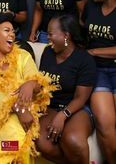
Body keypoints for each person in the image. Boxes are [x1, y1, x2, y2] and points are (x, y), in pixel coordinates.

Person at [0, 13, 55, 163]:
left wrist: (30, 84)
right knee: (16, 130)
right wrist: (18, 108)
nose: (12, 34)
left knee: (15, 133)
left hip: (25, 112)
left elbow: (38, 82)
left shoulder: (23, 55)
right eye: (7, 30)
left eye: (13, 31)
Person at [36, 14, 96, 164]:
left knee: (72, 140)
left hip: (76, 108)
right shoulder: (48, 53)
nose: (47, 38)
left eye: (50, 34)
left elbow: (81, 98)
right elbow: (42, 83)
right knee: (41, 141)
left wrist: (63, 115)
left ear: (66, 36)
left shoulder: (84, 59)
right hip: (51, 106)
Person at [82, 0, 116, 164]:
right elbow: (82, 32)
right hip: (97, 71)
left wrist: (94, 51)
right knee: (104, 124)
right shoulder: (90, 6)